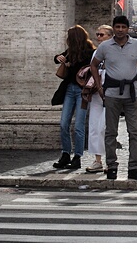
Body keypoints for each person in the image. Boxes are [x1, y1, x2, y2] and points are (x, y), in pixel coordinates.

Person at [90, 15, 137, 180]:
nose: (120, 30)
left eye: (123, 27)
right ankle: (112, 165)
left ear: (127, 29)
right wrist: (98, 85)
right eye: (117, 27)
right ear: (114, 28)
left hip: (132, 93)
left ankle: (133, 167)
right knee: (111, 132)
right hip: (111, 93)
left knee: (134, 132)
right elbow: (94, 65)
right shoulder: (105, 47)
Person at [52, 25, 96, 171]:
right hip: (69, 90)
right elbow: (57, 59)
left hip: (83, 92)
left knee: (79, 126)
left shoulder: (90, 52)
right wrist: (59, 58)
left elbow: (88, 69)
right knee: (64, 123)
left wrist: (72, 65)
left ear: (74, 38)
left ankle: (77, 157)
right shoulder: (70, 51)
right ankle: (65, 154)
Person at [84, 24, 113, 173]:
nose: (98, 37)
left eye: (102, 35)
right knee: (95, 126)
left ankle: (110, 161)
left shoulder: (114, 51)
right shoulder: (96, 53)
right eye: (98, 34)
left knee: (107, 127)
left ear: (110, 36)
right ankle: (97, 160)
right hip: (96, 91)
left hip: (111, 92)